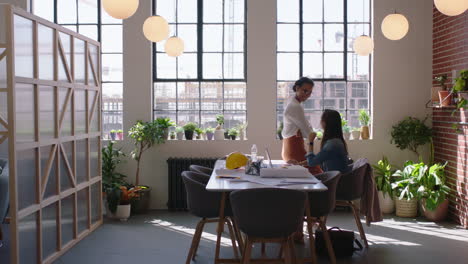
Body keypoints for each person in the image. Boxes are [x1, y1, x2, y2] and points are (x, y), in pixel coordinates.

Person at [281, 77, 323, 175]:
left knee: (305, 176)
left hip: (289, 147)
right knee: (317, 173)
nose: (307, 95)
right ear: (297, 88)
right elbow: (309, 133)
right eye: (305, 91)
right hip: (294, 148)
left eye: (310, 92)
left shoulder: (291, 102)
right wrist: (308, 131)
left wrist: (303, 130)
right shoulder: (295, 106)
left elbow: (305, 129)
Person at [289, 109, 351, 174]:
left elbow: (311, 162)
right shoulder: (336, 141)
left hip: (335, 182)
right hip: (336, 179)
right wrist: (299, 164)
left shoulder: (332, 145)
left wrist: (311, 142)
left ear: (325, 123)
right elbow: (318, 158)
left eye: (321, 119)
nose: (320, 122)